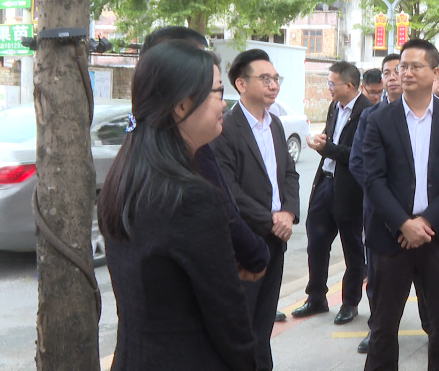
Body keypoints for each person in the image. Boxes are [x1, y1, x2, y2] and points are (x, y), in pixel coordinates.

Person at [98, 40, 257, 370]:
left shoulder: (124, 174)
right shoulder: (190, 198)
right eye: (217, 91)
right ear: (182, 106)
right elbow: (229, 317)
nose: (224, 103)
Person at [362, 39, 439, 371]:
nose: (406, 73)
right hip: (391, 238)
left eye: (415, 66)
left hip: (438, 236)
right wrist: (403, 223)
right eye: (403, 67)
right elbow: (373, 179)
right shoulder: (380, 119)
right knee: (383, 327)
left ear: (435, 72)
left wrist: (425, 223)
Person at [142, 26, 270, 282]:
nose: (223, 103)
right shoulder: (187, 178)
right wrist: (255, 255)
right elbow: (225, 211)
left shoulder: (141, 149)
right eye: (216, 90)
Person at [212, 49, 300, 371]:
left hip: (277, 237)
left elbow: (289, 174)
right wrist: (271, 220)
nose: (273, 85)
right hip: (245, 241)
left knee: (264, 320)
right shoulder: (225, 128)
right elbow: (228, 189)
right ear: (241, 84)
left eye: (276, 79)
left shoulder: (275, 124)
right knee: (243, 322)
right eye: (265, 79)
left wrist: (288, 213)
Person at [349, 54, 430, 354]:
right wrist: (393, 209)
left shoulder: (432, 115)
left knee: (427, 281)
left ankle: (433, 327)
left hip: (424, 220)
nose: (394, 76)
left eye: (399, 70)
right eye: (387, 72)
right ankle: (378, 330)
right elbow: (359, 164)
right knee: (379, 282)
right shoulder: (371, 116)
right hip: (382, 217)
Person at [292, 61, 372, 324]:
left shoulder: (367, 113)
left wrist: (326, 149)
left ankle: (350, 302)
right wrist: (321, 140)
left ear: (348, 85)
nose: (328, 87)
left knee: (353, 249)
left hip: (350, 190)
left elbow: (358, 155)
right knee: (316, 244)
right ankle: (316, 297)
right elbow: (331, 139)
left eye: (331, 83)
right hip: (325, 183)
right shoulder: (334, 107)